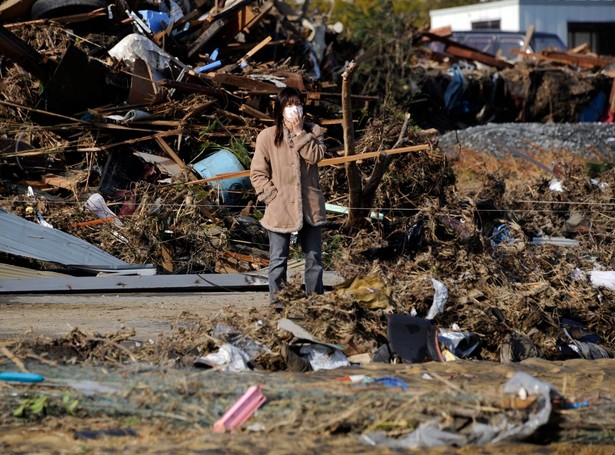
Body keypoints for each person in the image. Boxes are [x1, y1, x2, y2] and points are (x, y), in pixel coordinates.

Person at [250, 87, 327, 306]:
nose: (294, 108)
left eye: (297, 103)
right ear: (281, 109)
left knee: (314, 260)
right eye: (289, 104)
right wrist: (271, 197)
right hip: (279, 206)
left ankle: (315, 305)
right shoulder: (267, 136)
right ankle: (279, 304)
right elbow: (257, 172)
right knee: (277, 261)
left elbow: (315, 156)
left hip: (310, 206)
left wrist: (300, 132)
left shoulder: (315, 132)